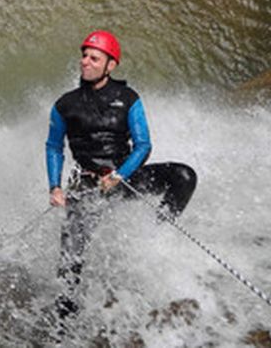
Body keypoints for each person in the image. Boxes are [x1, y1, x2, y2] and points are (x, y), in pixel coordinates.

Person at [45, 30, 197, 321]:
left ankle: (158, 233)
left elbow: (143, 145)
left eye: (94, 58)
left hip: (126, 178)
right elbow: (53, 146)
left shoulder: (128, 99)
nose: (85, 62)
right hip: (87, 187)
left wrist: (120, 174)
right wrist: (55, 187)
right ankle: (64, 323)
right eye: (84, 56)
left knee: (184, 176)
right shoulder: (65, 104)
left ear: (110, 65)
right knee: (70, 259)